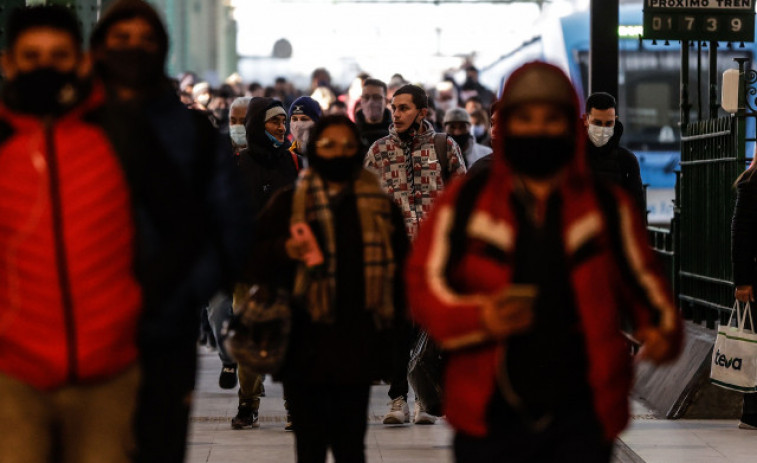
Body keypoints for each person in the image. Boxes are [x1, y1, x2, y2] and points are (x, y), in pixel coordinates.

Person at [406, 61, 682, 463]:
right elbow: (423, 286)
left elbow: (646, 285)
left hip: (583, 404)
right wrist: (479, 315)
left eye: (551, 118)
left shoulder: (605, 207)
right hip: (488, 402)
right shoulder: (466, 201)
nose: (538, 129)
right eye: (526, 117)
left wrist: (659, 328)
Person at [89, 1, 251, 461]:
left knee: (159, 441)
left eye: (146, 41)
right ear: (99, 48)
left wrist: (182, 292)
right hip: (85, 322)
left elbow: (229, 228)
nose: (134, 50)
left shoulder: (193, 132)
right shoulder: (75, 125)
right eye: (121, 40)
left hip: (164, 324)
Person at [249, 115, 409, 463]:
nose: (339, 153)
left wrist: (394, 342)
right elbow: (251, 258)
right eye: (328, 145)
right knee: (310, 445)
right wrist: (283, 250)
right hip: (303, 343)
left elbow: (401, 278)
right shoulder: (289, 203)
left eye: (347, 146)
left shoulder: (381, 208)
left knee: (351, 444)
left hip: (359, 341)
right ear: (314, 149)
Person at [365, 83, 466, 426]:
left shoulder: (443, 147)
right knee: (398, 329)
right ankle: (397, 398)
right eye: (395, 107)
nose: (397, 113)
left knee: (432, 330)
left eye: (404, 107)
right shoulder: (379, 151)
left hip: (436, 256)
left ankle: (427, 397)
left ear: (422, 112)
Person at [231, 96, 301, 430]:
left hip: (288, 265)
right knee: (248, 338)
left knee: (292, 337)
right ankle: (248, 403)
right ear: (258, 125)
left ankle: (294, 405)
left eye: (282, 121)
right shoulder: (237, 164)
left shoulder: (293, 163)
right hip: (247, 266)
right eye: (273, 121)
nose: (281, 127)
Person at [584, 92, 646, 216]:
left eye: (608, 124)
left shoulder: (626, 160)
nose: (602, 129)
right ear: (586, 119)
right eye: (597, 123)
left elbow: (636, 210)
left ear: (615, 120)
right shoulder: (570, 155)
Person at [731, 158, 757, 430]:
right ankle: (751, 412)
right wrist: (742, 282)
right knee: (753, 347)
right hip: (755, 280)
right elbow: (740, 235)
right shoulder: (751, 183)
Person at [355, 78, 392, 148]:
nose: (370, 102)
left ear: (386, 102)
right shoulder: (352, 133)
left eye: (376, 97)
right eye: (366, 97)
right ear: (361, 101)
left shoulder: (396, 134)